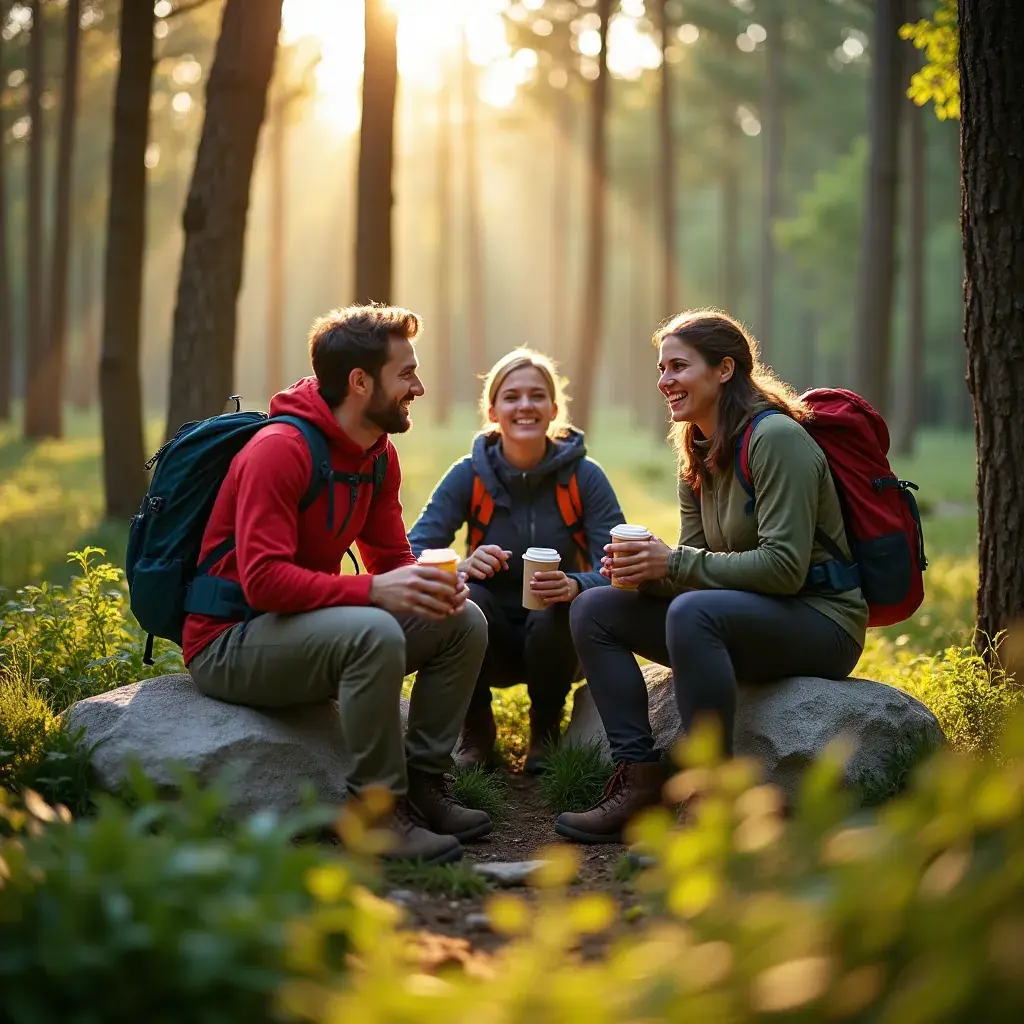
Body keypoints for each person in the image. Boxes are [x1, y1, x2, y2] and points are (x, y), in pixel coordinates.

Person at [183, 305, 491, 865]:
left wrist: (433, 581)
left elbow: (391, 558)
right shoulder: (280, 450)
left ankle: (423, 786)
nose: (418, 387)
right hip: (230, 640)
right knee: (372, 632)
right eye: (407, 374)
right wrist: (374, 593)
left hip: (301, 629)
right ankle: (375, 815)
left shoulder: (376, 455)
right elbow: (263, 583)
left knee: (462, 620)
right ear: (359, 382)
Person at [556, 309, 868, 844]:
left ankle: (712, 801)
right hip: (743, 618)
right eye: (661, 369)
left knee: (692, 611)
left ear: (725, 370)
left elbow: (786, 569)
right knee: (595, 609)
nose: (664, 381)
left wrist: (671, 564)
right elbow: (698, 562)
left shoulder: (775, 439)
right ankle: (642, 781)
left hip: (822, 620)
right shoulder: (696, 452)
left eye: (678, 366)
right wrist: (641, 574)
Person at [409, 349, 625, 773]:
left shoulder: (585, 477)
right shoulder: (468, 474)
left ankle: (545, 730)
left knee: (555, 607)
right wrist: (460, 565)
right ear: (492, 410)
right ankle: (478, 730)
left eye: (536, 395)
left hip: (560, 643)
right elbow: (411, 551)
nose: (524, 406)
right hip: (486, 643)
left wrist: (575, 585)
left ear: (554, 408)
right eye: (511, 397)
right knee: (468, 599)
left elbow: (618, 567)